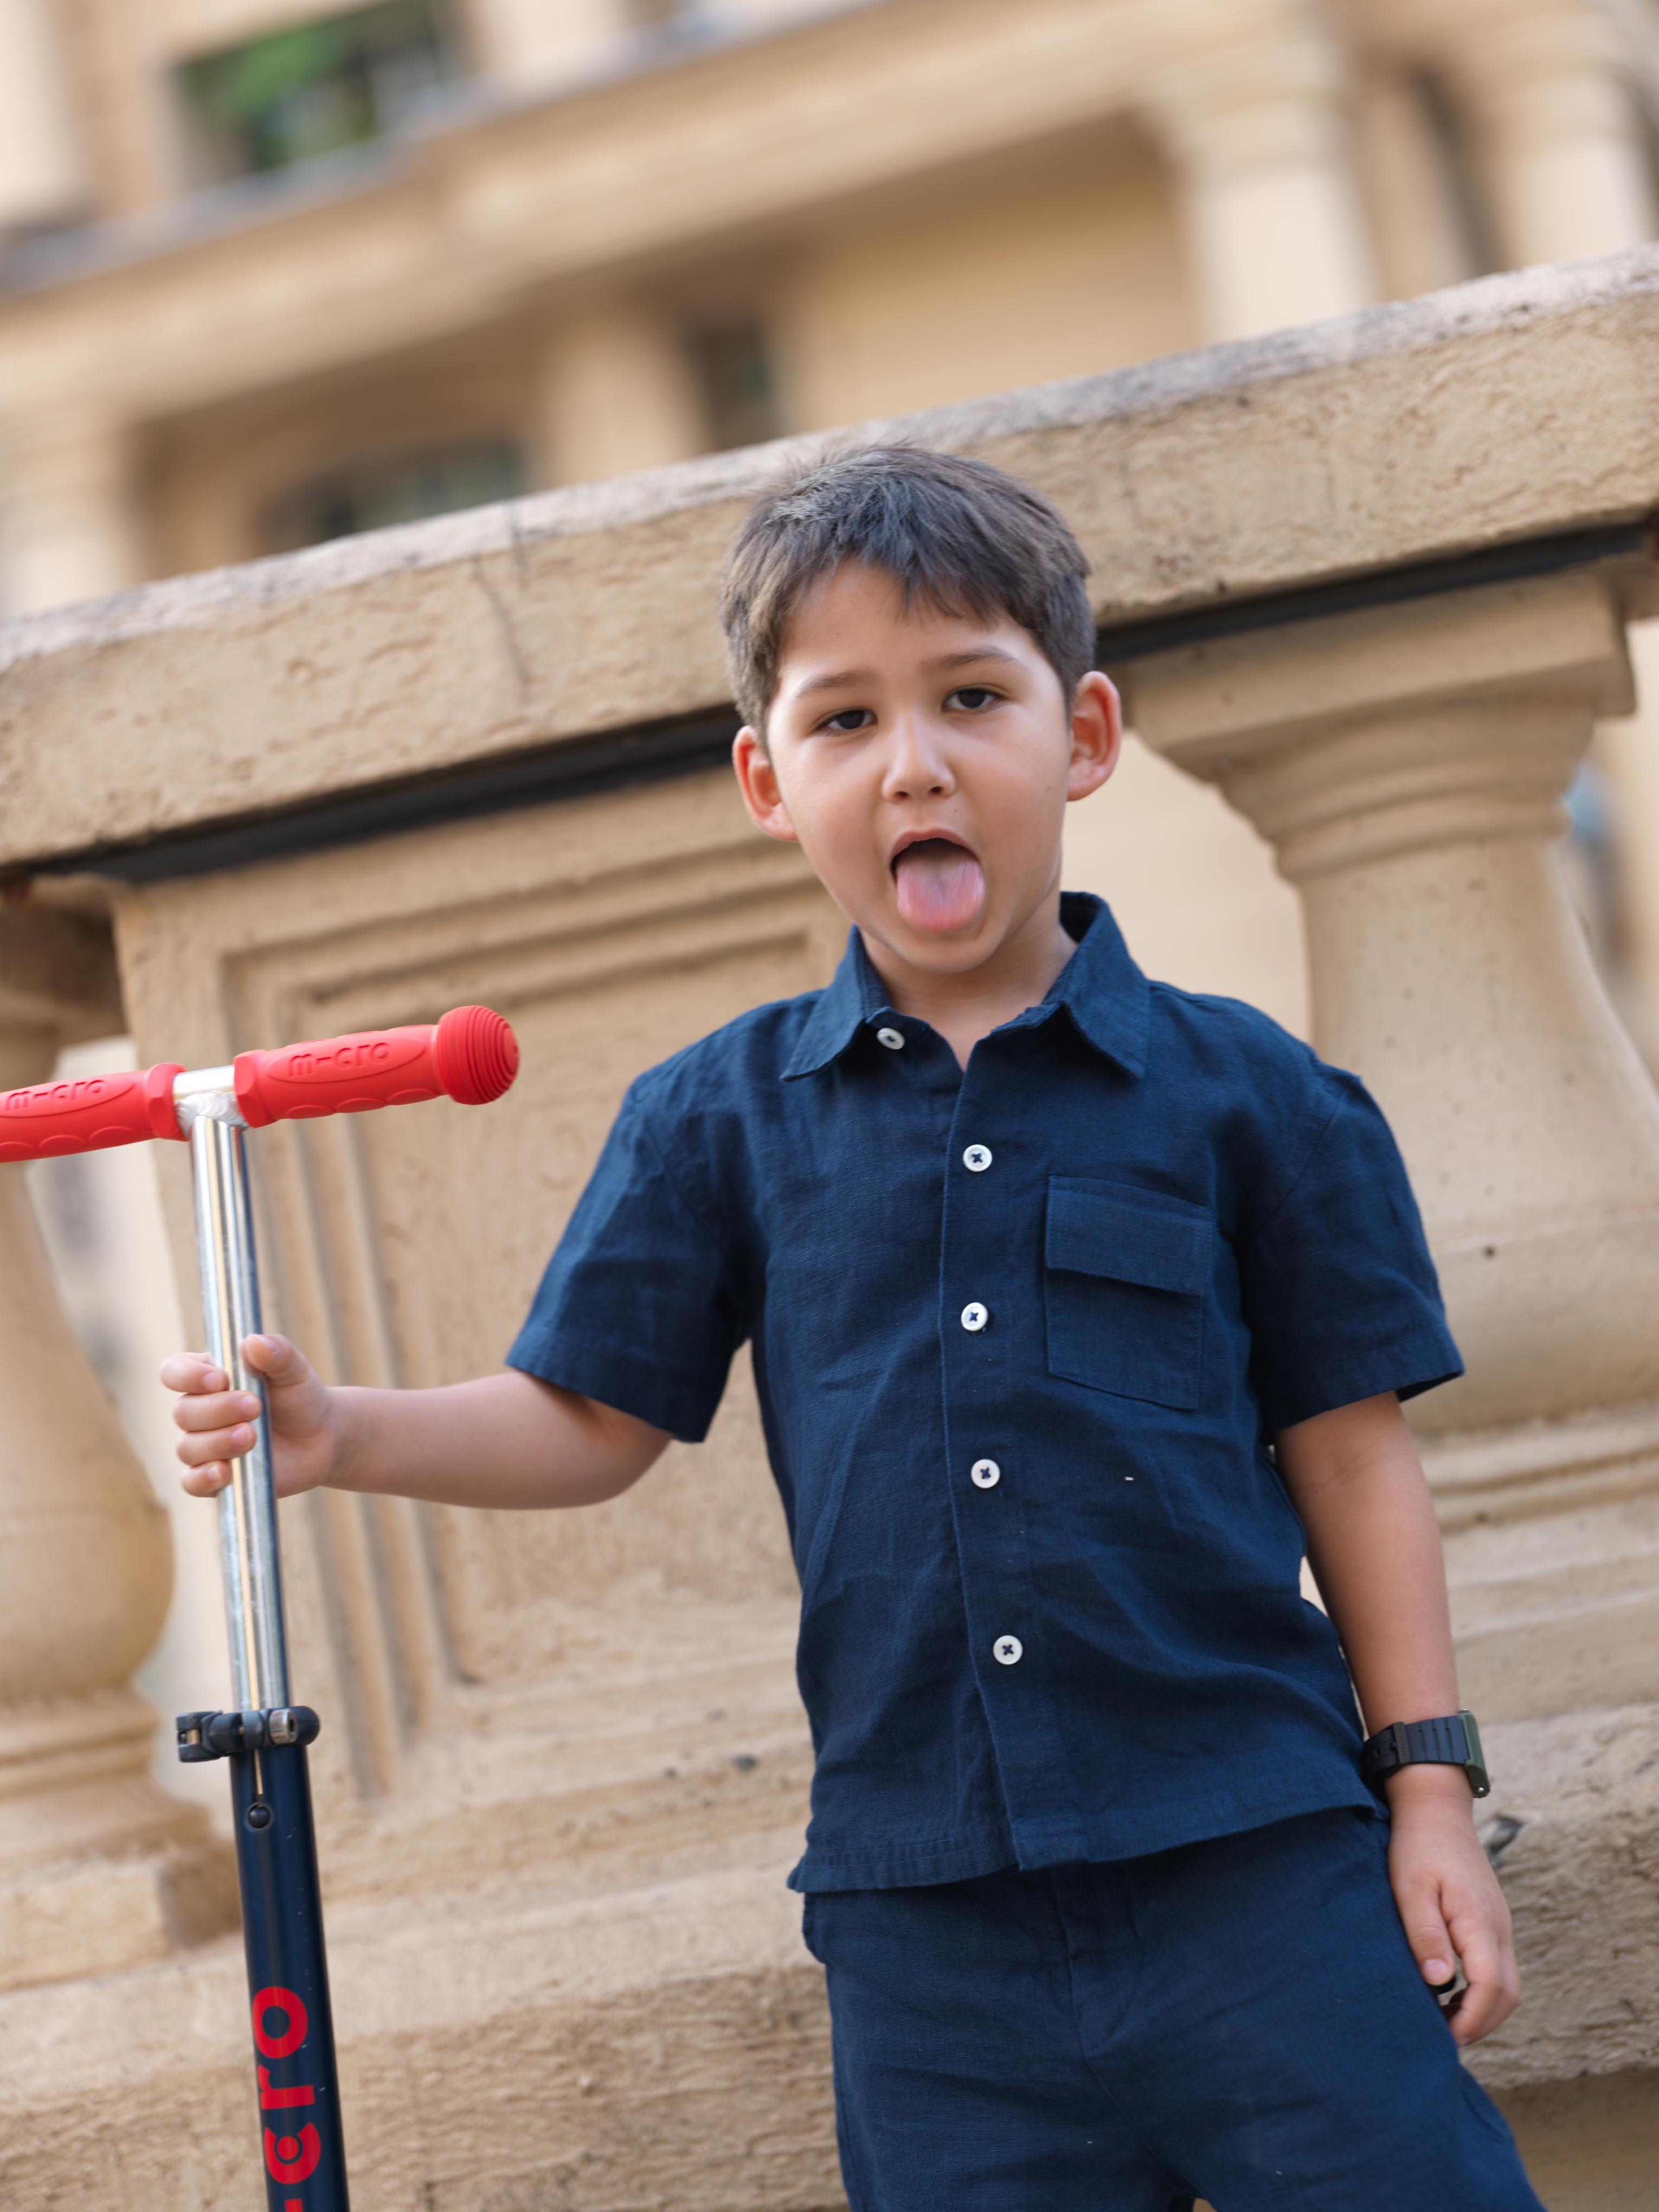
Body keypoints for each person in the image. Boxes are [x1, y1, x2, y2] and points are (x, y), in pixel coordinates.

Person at [163, 446, 1541, 2211]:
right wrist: (344, 1433)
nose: (913, 765)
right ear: (768, 779)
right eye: (843, 721)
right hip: (927, 1941)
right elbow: (586, 1417)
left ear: (1082, 735)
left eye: (971, 697)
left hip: (1258, 1871)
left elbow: (1351, 1457)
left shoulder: (1253, 1095)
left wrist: (1427, 1795)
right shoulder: (713, 1120)